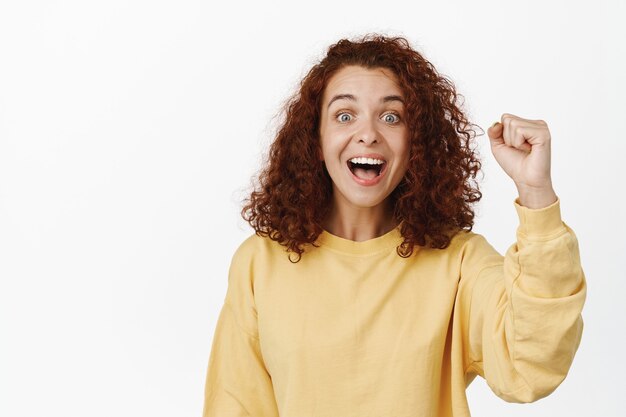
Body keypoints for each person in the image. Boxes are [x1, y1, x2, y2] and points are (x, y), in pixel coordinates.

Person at [201, 34, 586, 417]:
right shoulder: (260, 263)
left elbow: (531, 366)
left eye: (391, 116)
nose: (368, 133)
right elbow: (235, 405)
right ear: (315, 140)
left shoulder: (458, 262)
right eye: (344, 115)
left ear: (415, 141)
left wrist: (536, 193)